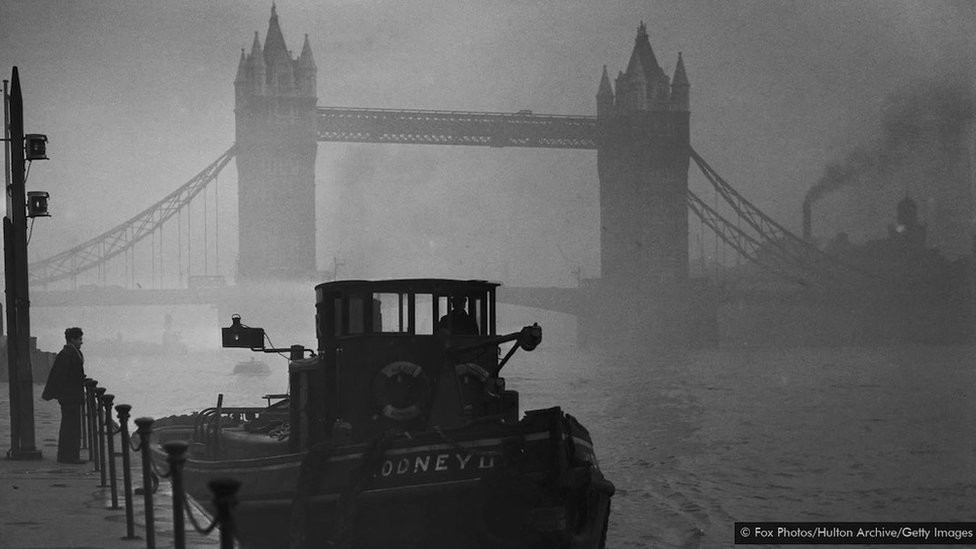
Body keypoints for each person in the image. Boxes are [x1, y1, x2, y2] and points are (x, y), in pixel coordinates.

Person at [41, 327, 86, 464]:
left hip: (71, 396)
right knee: (70, 426)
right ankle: (69, 456)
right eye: (79, 339)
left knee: (71, 426)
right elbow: (59, 376)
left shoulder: (71, 353)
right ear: (72, 339)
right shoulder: (67, 354)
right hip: (70, 396)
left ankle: (70, 455)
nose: (81, 342)